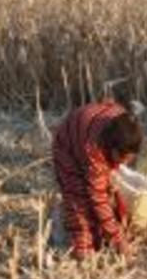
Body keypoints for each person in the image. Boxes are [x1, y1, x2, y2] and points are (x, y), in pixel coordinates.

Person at [52, 101, 142, 259]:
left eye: (129, 159)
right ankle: (82, 249)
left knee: (109, 192)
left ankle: (100, 238)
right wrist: (118, 240)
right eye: (122, 158)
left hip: (85, 130)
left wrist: (111, 177)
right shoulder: (93, 149)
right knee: (79, 199)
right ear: (112, 148)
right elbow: (98, 199)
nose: (125, 163)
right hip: (67, 147)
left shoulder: (124, 125)